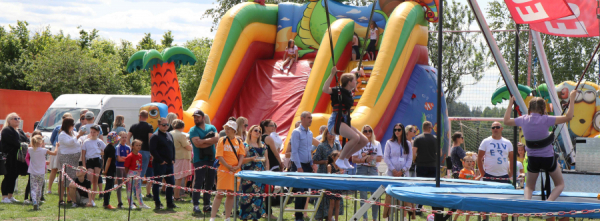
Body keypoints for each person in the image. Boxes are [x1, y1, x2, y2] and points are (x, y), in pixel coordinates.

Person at [504, 92, 575, 202]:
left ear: (529, 108)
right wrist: (572, 98)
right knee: (560, 184)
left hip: (533, 159)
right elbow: (569, 117)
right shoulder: (546, 119)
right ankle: (549, 202)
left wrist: (510, 104)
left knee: (529, 187)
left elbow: (506, 121)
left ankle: (527, 203)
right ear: (543, 108)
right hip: (548, 158)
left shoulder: (523, 119)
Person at [323, 66, 368, 170]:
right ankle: (340, 159)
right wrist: (331, 74)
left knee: (364, 140)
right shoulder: (337, 91)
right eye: (354, 81)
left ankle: (346, 158)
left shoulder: (349, 92)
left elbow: (353, 81)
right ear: (349, 82)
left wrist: (356, 74)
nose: (356, 82)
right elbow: (324, 89)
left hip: (344, 121)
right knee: (355, 137)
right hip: (335, 122)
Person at [210, 120, 246, 221]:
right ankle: (212, 217)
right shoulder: (222, 140)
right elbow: (219, 156)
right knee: (219, 194)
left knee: (231, 195)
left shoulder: (239, 141)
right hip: (223, 170)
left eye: (229, 129)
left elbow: (241, 155)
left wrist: (238, 165)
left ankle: (227, 217)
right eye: (226, 128)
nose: (226, 130)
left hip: (235, 171)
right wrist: (228, 166)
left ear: (234, 130)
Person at [188, 110, 219, 214]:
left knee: (210, 183)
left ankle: (207, 204)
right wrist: (210, 142)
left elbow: (216, 139)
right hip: (199, 160)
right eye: (194, 117)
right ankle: (196, 205)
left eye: (198, 117)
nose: (196, 119)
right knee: (198, 182)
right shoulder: (193, 130)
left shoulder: (211, 127)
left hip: (211, 159)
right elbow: (197, 145)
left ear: (203, 117)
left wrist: (203, 141)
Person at [290, 111, 318, 221]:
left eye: (311, 118)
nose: (310, 120)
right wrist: (298, 167)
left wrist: (312, 163)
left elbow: (308, 151)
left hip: (307, 165)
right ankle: (298, 216)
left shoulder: (310, 133)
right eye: (308, 118)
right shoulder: (296, 132)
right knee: (300, 191)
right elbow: (294, 151)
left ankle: (300, 214)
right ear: (302, 118)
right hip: (298, 165)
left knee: (306, 191)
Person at [352, 125, 382, 221]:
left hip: (373, 169)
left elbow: (380, 158)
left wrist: (371, 158)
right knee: (363, 196)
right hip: (362, 169)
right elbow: (353, 159)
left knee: (376, 195)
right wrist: (364, 160)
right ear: (362, 132)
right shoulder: (358, 143)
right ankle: (365, 218)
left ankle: (375, 218)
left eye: (369, 131)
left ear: (372, 132)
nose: (367, 132)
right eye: (365, 131)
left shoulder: (377, 143)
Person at [239, 125, 268, 221]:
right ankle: (245, 217)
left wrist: (267, 172)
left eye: (260, 131)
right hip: (248, 174)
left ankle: (256, 217)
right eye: (256, 130)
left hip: (260, 174)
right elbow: (240, 161)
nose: (258, 132)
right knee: (246, 197)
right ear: (250, 132)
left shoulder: (263, 145)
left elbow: (266, 160)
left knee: (258, 197)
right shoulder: (244, 145)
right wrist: (251, 159)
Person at [1, 113, 29, 203]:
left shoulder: (20, 131)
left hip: (18, 158)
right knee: (8, 176)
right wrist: (23, 144)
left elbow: (27, 140)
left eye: (18, 118)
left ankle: (10, 196)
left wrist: (25, 144)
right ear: (9, 120)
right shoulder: (6, 130)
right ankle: (4, 197)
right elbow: (15, 142)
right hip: (9, 157)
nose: (17, 120)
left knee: (14, 176)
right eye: (15, 118)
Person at [149, 118, 177, 210]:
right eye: (163, 125)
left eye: (167, 124)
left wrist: (173, 159)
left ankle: (170, 202)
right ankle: (157, 203)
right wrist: (161, 160)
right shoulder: (155, 136)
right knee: (157, 183)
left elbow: (172, 147)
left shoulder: (169, 134)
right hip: (159, 164)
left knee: (171, 183)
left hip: (169, 164)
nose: (166, 126)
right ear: (159, 125)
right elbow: (153, 150)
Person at [57, 117, 85, 205]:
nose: (73, 126)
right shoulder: (62, 134)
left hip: (74, 159)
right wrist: (78, 135)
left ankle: (70, 199)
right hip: (66, 158)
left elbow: (79, 141)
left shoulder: (73, 132)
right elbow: (70, 143)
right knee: (64, 179)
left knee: (73, 179)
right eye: (72, 124)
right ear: (67, 125)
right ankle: (61, 200)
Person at [127, 110, 154, 198]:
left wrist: (130, 147)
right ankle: (137, 192)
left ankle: (134, 192)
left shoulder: (134, 126)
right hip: (145, 151)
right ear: (147, 117)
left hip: (135, 151)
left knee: (134, 171)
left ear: (140, 116)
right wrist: (152, 151)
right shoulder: (149, 126)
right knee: (141, 173)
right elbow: (150, 140)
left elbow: (128, 138)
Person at [27, 135, 57, 210]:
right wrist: (57, 146)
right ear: (41, 142)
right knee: (39, 188)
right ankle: (37, 202)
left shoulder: (30, 149)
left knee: (33, 188)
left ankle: (34, 201)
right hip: (41, 172)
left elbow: (30, 147)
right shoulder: (43, 150)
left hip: (33, 172)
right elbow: (54, 153)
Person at [81, 125, 106, 206]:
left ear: (98, 133)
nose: (92, 133)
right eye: (91, 132)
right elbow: (83, 154)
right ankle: (89, 198)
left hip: (97, 161)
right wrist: (84, 165)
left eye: (94, 132)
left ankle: (93, 200)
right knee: (89, 180)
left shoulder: (100, 142)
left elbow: (105, 151)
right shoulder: (86, 141)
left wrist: (99, 153)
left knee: (96, 180)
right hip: (89, 161)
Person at [48, 113, 73, 194]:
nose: (65, 119)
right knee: (54, 169)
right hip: (57, 148)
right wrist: (56, 146)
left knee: (64, 170)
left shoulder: (73, 129)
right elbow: (52, 139)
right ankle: (49, 189)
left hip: (66, 150)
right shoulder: (57, 128)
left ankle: (62, 189)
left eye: (67, 117)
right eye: (64, 117)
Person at [124, 139, 150, 209]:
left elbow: (140, 164)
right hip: (131, 173)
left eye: (139, 145)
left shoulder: (140, 155)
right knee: (130, 189)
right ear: (133, 146)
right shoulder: (130, 156)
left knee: (139, 189)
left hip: (138, 173)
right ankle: (131, 204)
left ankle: (141, 203)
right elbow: (126, 167)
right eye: (137, 145)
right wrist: (126, 176)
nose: (138, 147)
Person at [170, 119, 192, 201]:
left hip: (174, 157)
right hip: (181, 157)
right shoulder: (181, 135)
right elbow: (188, 147)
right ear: (182, 127)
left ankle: (173, 195)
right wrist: (191, 144)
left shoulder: (170, 133)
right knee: (179, 178)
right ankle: (176, 196)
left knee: (175, 177)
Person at [455, 152, 477, 221]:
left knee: (469, 208)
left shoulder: (472, 172)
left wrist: (479, 176)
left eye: (471, 161)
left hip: (470, 192)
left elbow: (474, 180)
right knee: (460, 208)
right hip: (464, 191)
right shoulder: (462, 171)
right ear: (463, 163)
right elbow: (460, 181)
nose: (469, 163)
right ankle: (454, 219)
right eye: (467, 161)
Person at [101, 132, 119, 209]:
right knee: (109, 186)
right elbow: (108, 160)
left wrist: (104, 168)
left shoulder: (107, 147)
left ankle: (106, 202)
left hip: (108, 169)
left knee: (108, 185)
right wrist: (105, 171)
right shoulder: (111, 149)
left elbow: (104, 159)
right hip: (110, 170)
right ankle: (106, 203)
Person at [326, 151, 343, 221]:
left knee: (338, 204)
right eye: (338, 156)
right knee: (332, 204)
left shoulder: (339, 166)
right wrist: (338, 173)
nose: (339, 158)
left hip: (338, 185)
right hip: (331, 186)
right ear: (333, 158)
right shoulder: (329, 166)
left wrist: (338, 172)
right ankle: (329, 219)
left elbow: (342, 173)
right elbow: (330, 175)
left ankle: (336, 219)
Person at [115, 131, 130, 208]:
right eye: (122, 137)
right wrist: (126, 159)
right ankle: (120, 202)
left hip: (126, 168)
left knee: (128, 185)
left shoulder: (128, 148)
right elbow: (118, 159)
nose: (124, 139)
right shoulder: (118, 147)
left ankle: (130, 202)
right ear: (119, 138)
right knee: (120, 185)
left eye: (125, 137)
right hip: (119, 168)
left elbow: (130, 159)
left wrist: (124, 158)